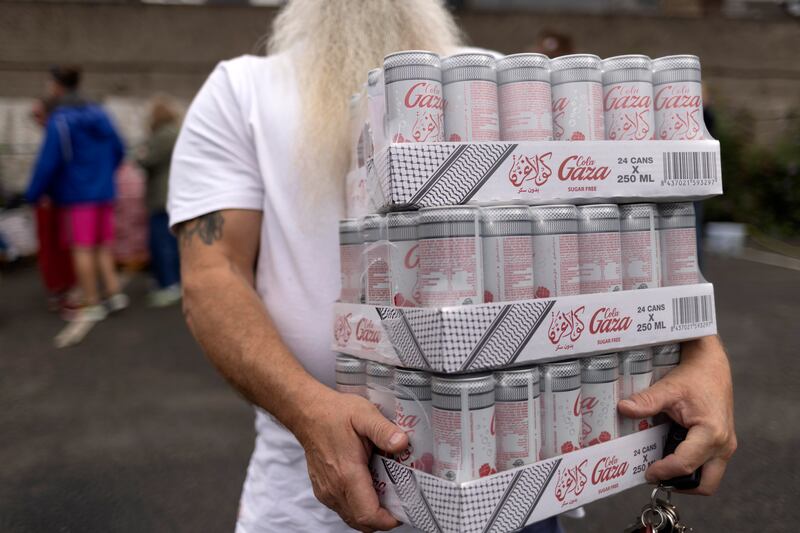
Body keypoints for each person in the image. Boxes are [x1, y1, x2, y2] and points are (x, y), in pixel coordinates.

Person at [168, 2, 737, 532]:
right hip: (306, 501)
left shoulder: (499, 77)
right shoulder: (240, 90)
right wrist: (307, 409)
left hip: (518, 493)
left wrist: (703, 354)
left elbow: (630, 230)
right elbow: (212, 275)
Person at [25, 65, 128, 322]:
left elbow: (48, 162)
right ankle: (114, 293)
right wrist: (103, 176)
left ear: (57, 86)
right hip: (104, 191)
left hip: (76, 194)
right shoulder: (100, 113)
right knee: (103, 244)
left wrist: (33, 194)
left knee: (81, 248)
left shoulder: (60, 120)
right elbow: (119, 149)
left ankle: (91, 300)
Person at [29, 97, 77, 312]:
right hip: (64, 197)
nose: (35, 119)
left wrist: (33, 194)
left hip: (51, 199)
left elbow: (47, 166)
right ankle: (65, 288)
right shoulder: (65, 131)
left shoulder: (55, 131)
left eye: (37, 115)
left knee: (52, 247)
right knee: (63, 245)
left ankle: (60, 290)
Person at [137, 95, 182, 307]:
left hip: (162, 197)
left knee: (162, 243)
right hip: (172, 196)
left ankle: (169, 284)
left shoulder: (163, 136)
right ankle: (171, 281)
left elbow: (146, 159)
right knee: (170, 242)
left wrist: (140, 153)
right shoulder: (176, 132)